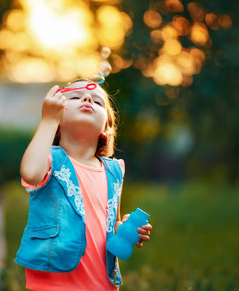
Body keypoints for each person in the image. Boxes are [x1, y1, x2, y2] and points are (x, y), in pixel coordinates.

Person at [15, 79, 153, 290]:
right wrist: (48, 120)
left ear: (106, 127)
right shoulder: (49, 160)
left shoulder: (114, 171)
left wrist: (125, 229)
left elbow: (110, 223)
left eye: (98, 102)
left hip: (102, 284)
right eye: (75, 97)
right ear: (59, 115)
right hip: (54, 282)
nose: (88, 98)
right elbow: (31, 173)